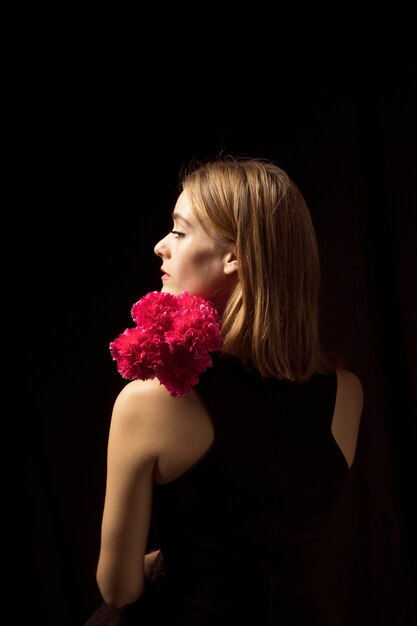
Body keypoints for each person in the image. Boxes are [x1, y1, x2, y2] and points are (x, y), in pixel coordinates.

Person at [86, 155, 363, 626]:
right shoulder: (347, 393)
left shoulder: (153, 400)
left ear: (234, 257)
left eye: (178, 231)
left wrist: (162, 560)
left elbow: (119, 586)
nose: (159, 247)